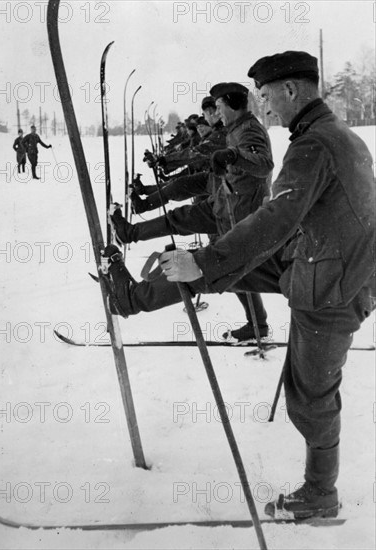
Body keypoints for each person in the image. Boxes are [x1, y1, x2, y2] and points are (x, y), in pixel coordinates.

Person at [104, 51, 375, 519]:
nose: (266, 108)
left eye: (268, 96)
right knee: (214, 272)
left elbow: (278, 214)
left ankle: (319, 495)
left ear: (291, 90)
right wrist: (210, 263)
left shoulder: (316, 144)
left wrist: (212, 257)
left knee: (311, 397)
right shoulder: (336, 137)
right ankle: (134, 298)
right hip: (315, 263)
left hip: (331, 287)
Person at [111, 83, 272, 342]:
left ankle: (134, 296)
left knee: (211, 270)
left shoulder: (249, 131)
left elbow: (262, 165)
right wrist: (169, 160)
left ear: (232, 105)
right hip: (224, 204)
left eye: (219, 107)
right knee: (190, 231)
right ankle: (130, 235)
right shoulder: (236, 129)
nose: (217, 114)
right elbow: (203, 153)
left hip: (238, 212)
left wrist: (232, 156)